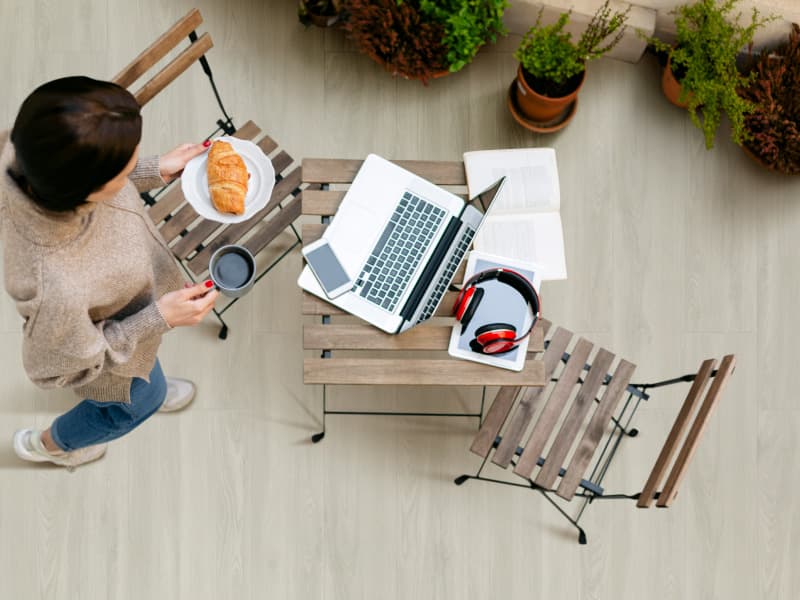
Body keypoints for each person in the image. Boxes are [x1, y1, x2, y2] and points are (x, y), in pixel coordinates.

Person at [0, 76, 220, 468]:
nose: (130, 172)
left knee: (148, 376)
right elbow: (56, 368)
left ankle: (148, 377)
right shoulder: (57, 284)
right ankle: (52, 445)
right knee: (139, 402)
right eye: (123, 171)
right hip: (106, 360)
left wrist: (152, 169)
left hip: (122, 319)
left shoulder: (28, 150)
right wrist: (158, 318)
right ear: (85, 189)